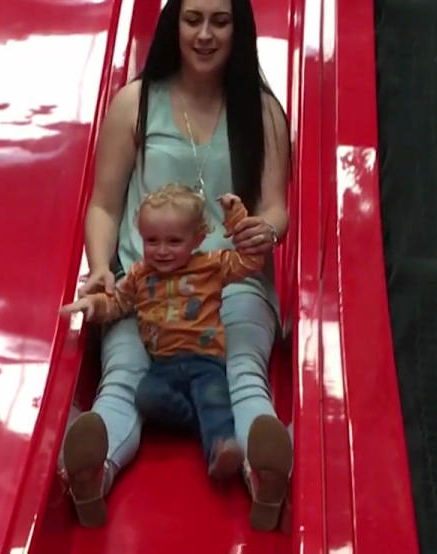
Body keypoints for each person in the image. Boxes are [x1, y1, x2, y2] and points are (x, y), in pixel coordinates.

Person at [59, 0, 292, 532]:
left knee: (243, 372)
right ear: (174, 26)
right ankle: (93, 469)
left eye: (220, 21)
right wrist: (101, 267)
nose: (205, 34)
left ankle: (264, 471)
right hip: (147, 284)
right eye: (193, 20)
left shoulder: (260, 111)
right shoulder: (137, 104)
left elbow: (275, 205)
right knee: (121, 377)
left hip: (230, 279)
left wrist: (268, 229)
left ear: (240, 29)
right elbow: (104, 204)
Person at [62, 185, 261, 484]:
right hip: (163, 366)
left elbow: (250, 262)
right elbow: (118, 304)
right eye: (152, 241)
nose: (162, 250)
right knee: (146, 396)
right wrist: (94, 306)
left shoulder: (211, 266)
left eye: (174, 241)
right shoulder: (139, 275)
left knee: (214, 397)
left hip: (206, 362)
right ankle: (199, 422)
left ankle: (220, 453)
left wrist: (235, 217)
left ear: (198, 238)